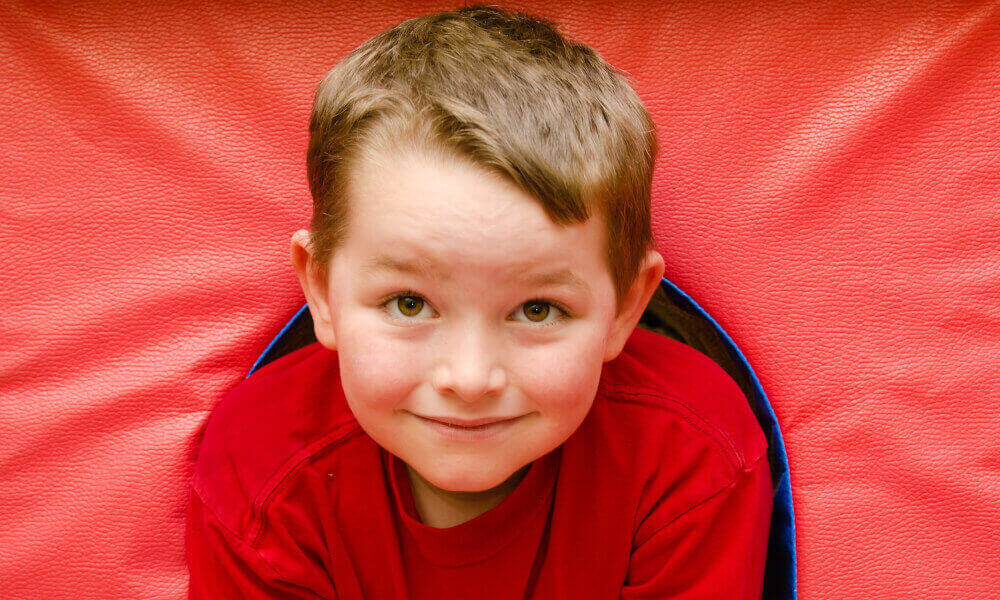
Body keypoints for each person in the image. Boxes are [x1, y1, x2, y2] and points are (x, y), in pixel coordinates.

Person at [185, 4, 772, 598]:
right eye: (409, 303)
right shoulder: (260, 470)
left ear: (625, 307)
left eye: (538, 309)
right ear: (322, 290)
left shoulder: (691, 455)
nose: (469, 379)